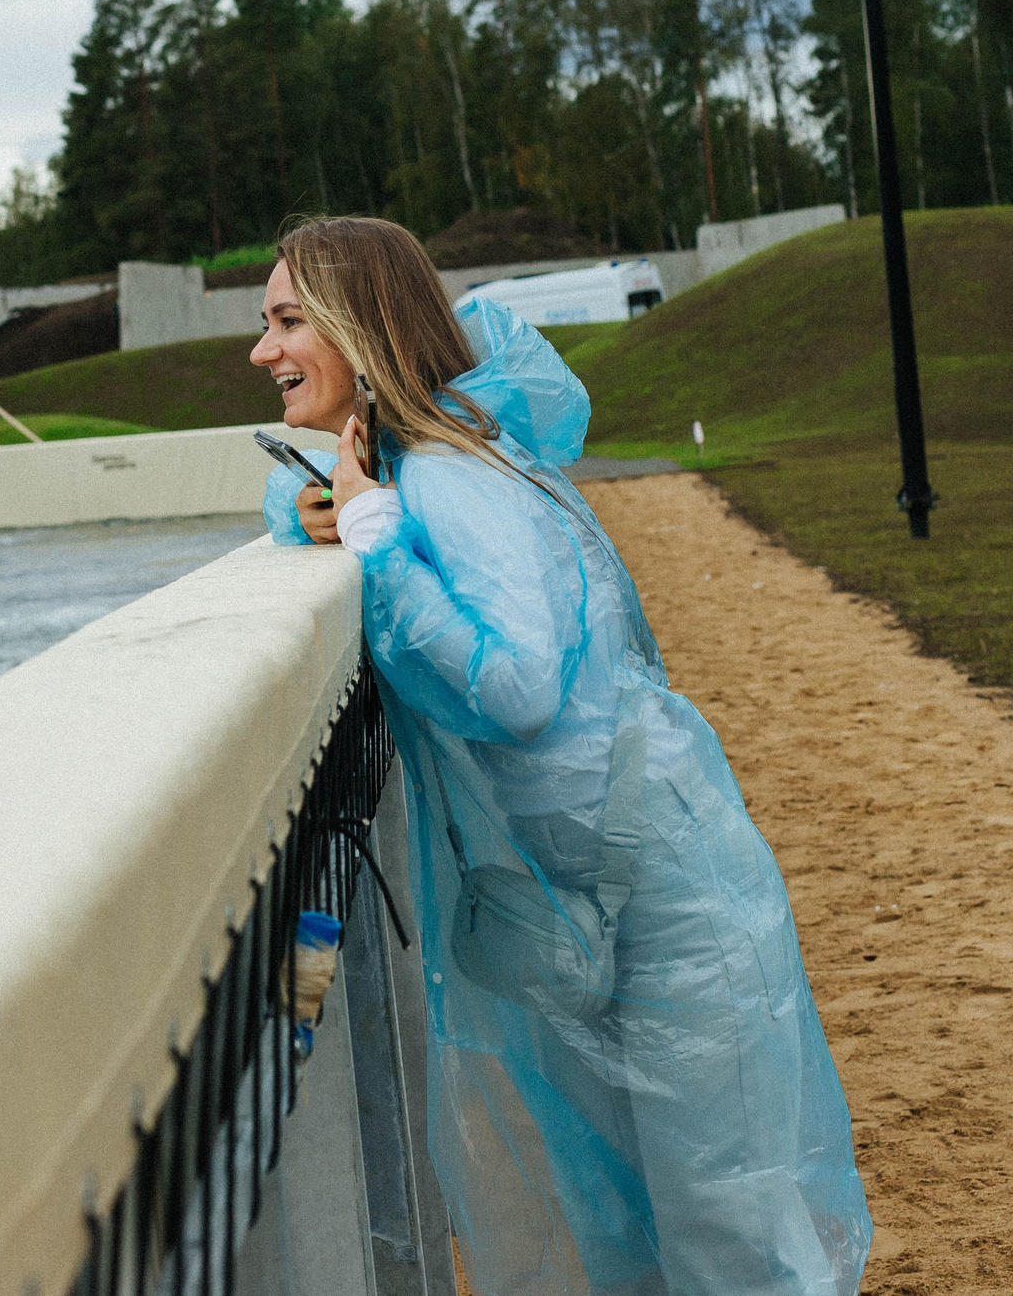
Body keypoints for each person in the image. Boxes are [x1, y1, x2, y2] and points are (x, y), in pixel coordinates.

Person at [251, 217, 869, 1296]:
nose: (262, 351)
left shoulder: (444, 475)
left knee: (725, 1225)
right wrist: (320, 508)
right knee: (642, 1212)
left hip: (661, 888)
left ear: (360, 328)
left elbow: (522, 688)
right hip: (609, 885)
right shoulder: (429, 456)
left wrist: (373, 538)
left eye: (287, 321)